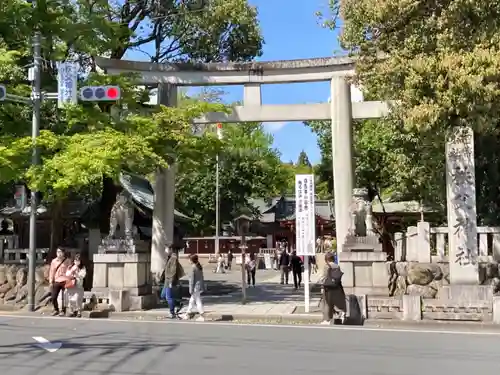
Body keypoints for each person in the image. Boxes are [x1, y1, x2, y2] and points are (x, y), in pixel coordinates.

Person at [319, 252, 346, 325]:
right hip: (337, 287)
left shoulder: (326, 266)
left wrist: (321, 285)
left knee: (327, 303)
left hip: (328, 287)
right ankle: (341, 313)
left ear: (326, 259)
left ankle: (327, 319)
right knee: (336, 301)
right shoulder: (337, 266)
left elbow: (324, 277)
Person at [181, 254, 205, 321]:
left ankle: (202, 315)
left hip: (195, 287)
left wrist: (190, 289)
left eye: (189, 259)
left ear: (192, 260)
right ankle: (187, 314)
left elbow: (191, 280)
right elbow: (201, 278)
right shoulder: (199, 266)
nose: (188, 261)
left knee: (198, 301)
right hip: (198, 286)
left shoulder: (193, 267)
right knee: (192, 301)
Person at [49, 247, 71, 316]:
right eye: (58, 252)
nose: (59, 254)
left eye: (60, 252)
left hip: (65, 280)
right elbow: (51, 271)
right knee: (53, 297)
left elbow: (70, 271)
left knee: (64, 297)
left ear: (63, 253)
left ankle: (63, 311)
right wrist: (51, 281)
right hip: (57, 280)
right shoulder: (54, 261)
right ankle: (56, 309)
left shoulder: (67, 261)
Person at [163, 248, 185, 319]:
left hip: (169, 281)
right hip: (167, 281)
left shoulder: (173, 258)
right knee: (163, 295)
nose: (165, 251)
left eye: (166, 249)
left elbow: (173, 271)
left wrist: (170, 281)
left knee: (168, 297)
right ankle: (177, 304)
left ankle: (172, 312)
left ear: (170, 250)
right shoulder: (170, 258)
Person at [64, 253, 86, 317]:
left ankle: (79, 311)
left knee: (77, 299)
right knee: (70, 299)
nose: (77, 262)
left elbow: (83, 275)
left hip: (78, 285)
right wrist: (72, 270)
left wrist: (77, 274)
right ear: (74, 261)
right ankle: (71, 311)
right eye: (75, 260)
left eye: (78, 260)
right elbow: (67, 274)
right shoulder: (70, 267)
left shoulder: (82, 267)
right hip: (71, 285)